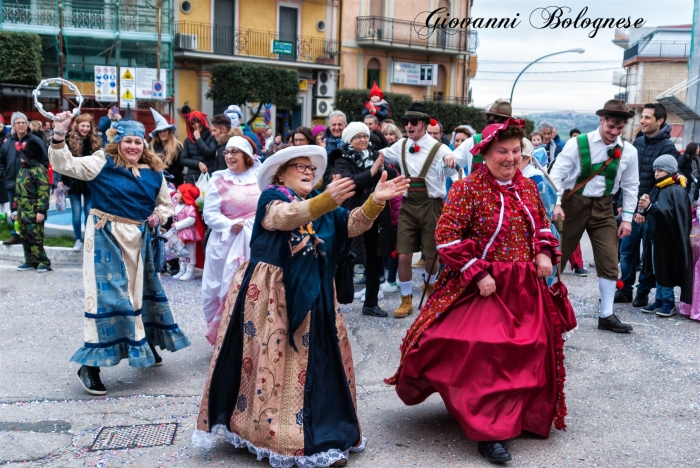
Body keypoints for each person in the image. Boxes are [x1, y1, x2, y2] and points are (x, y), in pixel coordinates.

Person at [192, 145, 409, 467]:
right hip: (272, 294)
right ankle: (275, 435)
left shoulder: (319, 203)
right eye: (300, 166)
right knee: (273, 362)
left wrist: (376, 200)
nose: (309, 172)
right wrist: (326, 201)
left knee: (317, 364)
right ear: (281, 173)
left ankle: (318, 432)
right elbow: (283, 218)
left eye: (311, 168)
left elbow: (350, 225)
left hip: (315, 291)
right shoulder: (272, 196)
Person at [386, 119, 573, 464]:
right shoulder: (468, 188)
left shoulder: (528, 187)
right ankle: (490, 432)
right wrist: (476, 273)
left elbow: (543, 226)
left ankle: (521, 414)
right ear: (485, 153)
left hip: (524, 286)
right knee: (486, 349)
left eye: (516, 151)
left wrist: (545, 252)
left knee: (532, 348)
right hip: (482, 286)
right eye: (503, 151)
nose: (510, 157)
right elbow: (447, 237)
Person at [49, 110, 190, 395]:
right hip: (105, 236)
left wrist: (157, 217)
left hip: (139, 239)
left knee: (137, 294)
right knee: (109, 299)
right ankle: (90, 366)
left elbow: (166, 205)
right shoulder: (102, 161)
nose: (133, 147)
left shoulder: (154, 171)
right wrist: (59, 133)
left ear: (144, 144)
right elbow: (65, 163)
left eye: (138, 142)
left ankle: (144, 342)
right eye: (128, 141)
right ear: (118, 142)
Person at [550, 99, 639, 333]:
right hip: (572, 205)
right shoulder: (577, 144)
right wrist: (556, 204)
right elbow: (556, 175)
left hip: (604, 206)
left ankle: (606, 315)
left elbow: (631, 186)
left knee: (610, 260)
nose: (614, 132)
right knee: (555, 258)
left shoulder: (629, 151)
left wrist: (627, 218)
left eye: (619, 128)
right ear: (601, 120)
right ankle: (545, 310)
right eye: (610, 126)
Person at [379, 103, 458, 318]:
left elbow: (453, 168)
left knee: (433, 256)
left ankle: (429, 288)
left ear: (423, 123)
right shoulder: (401, 145)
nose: (409, 126)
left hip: (432, 205)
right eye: (406, 122)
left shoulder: (440, 148)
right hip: (408, 206)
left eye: (413, 122)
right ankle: (406, 300)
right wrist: (376, 160)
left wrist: (451, 160)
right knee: (403, 255)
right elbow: (382, 153)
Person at [329, 122, 395, 317]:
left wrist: (383, 170)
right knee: (343, 258)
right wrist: (372, 172)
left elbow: (388, 178)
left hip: (375, 213)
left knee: (374, 259)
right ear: (350, 139)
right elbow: (349, 183)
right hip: (351, 214)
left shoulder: (374, 155)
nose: (363, 140)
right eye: (358, 137)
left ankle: (371, 303)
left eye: (365, 136)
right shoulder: (341, 158)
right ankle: (334, 301)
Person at [201, 136, 261, 344]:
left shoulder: (260, 177)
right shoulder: (218, 179)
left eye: (235, 152)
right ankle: (223, 336)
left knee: (253, 287)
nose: (229, 156)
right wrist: (228, 224)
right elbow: (209, 214)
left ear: (246, 155)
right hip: (226, 242)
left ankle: (250, 336)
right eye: (227, 152)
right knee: (220, 288)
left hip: (254, 240)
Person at [618, 103, 679, 306]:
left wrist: (644, 209)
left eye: (647, 117)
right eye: (642, 117)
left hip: (649, 212)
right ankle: (624, 290)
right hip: (630, 210)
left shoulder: (668, 147)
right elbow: (627, 175)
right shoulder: (638, 142)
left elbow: (662, 183)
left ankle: (642, 293)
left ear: (659, 120)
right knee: (626, 253)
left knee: (647, 256)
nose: (642, 121)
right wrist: (621, 203)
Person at [637, 155, 693, 316]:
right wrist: (648, 206)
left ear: (669, 171)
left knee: (665, 268)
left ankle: (668, 301)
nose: (656, 173)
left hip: (668, 239)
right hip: (657, 237)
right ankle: (660, 299)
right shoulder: (661, 187)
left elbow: (670, 214)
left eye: (660, 170)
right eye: (655, 170)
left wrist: (650, 207)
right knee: (657, 268)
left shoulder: (674, 189)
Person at [0, 112, 48, 245]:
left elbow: (44, 160)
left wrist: (36, 175)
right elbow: (1, 160)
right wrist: (4, 174)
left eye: (23, 122)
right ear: (13, 126)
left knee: (29, 213)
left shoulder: (35, 141)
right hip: (12, 182)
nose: (21, 125)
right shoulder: (8, 143)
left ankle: (32, 238)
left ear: (27, 124)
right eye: (18, 123)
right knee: (14, 211)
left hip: (30, 184)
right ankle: (16, 234)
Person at [59, 114, 101, 251]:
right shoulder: (69, 140)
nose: (85, 128)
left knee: (89, 212)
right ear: (77, 126)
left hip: (89, 181)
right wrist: (60, 181)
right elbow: (62, 162)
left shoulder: (93, 141)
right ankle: (78, 239)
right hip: (73, 181)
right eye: (83, 125)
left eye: (87, 126)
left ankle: (89, 238)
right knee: (76, 213)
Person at [13, 125, 51, 272]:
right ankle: (29, 260)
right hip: (22, 208)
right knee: (24, 235)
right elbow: (18, 190)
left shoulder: (39, 170)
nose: (21, 157)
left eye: (23, 154)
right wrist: (15, 209)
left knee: (35, 236)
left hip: (34, 209)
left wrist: (41, 210)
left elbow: (43, 192)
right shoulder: (22, 169)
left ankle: (43, 262)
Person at [454, 99, 512, 174]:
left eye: (501, 124)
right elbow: (446, 167)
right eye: (492, 123)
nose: (496, 128)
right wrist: (447, 158)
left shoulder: (519, 144)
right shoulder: (473, 142)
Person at [172, 183, 205, 281]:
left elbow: (191, 220)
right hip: (179, 233)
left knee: (190, 252)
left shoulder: (189, 207)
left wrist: (178, 225)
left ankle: (190, 270)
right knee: (181, 251)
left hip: (188, 234)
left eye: (178, 193)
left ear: (185, 195)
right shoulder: (176, 205)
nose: (175, 195)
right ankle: (182, 269)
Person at [149, 108, 184, 186]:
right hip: (155, 181)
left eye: (164, 130)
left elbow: (179, 165)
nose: (162, 133)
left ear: (169, 131)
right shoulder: (152, 146)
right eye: (160, 131)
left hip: (173, 182)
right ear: (157, 133)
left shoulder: (177, 146)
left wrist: (170, 177)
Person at [181, 111, 217, 183]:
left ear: (203, 121)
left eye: (198, 121)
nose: (196, 125)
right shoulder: (188, 140)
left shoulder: (211, 136)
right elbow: (183, 159)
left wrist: (198, 139)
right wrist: (198, 164)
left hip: (208, 176)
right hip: (192, 178)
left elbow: (210, 153)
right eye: (193, 123)